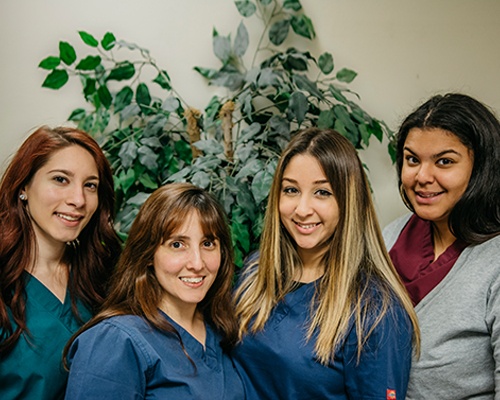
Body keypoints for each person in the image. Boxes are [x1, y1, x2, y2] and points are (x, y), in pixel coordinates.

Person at [232, 127, 420, 399]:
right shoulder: (254, 272)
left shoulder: (375, 311)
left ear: (348, 201)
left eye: (322, 192)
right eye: (291, 190)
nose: (303, 209)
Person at [64, 183, 245, 399]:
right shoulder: (115, 341)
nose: (197, 263)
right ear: (148, 254)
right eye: (177, 244)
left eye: (208, 243)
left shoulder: (220, 328)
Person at [383, 93, 500, 399]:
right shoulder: (388, 238)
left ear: (482, 167)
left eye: (444, 161)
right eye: (412, 160)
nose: (422, 177)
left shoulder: (494, 262)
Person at [0, 126, 122, 400]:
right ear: (23, 187)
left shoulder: (102, 277)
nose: (78, 200)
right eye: (60, 179)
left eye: (90, 185)